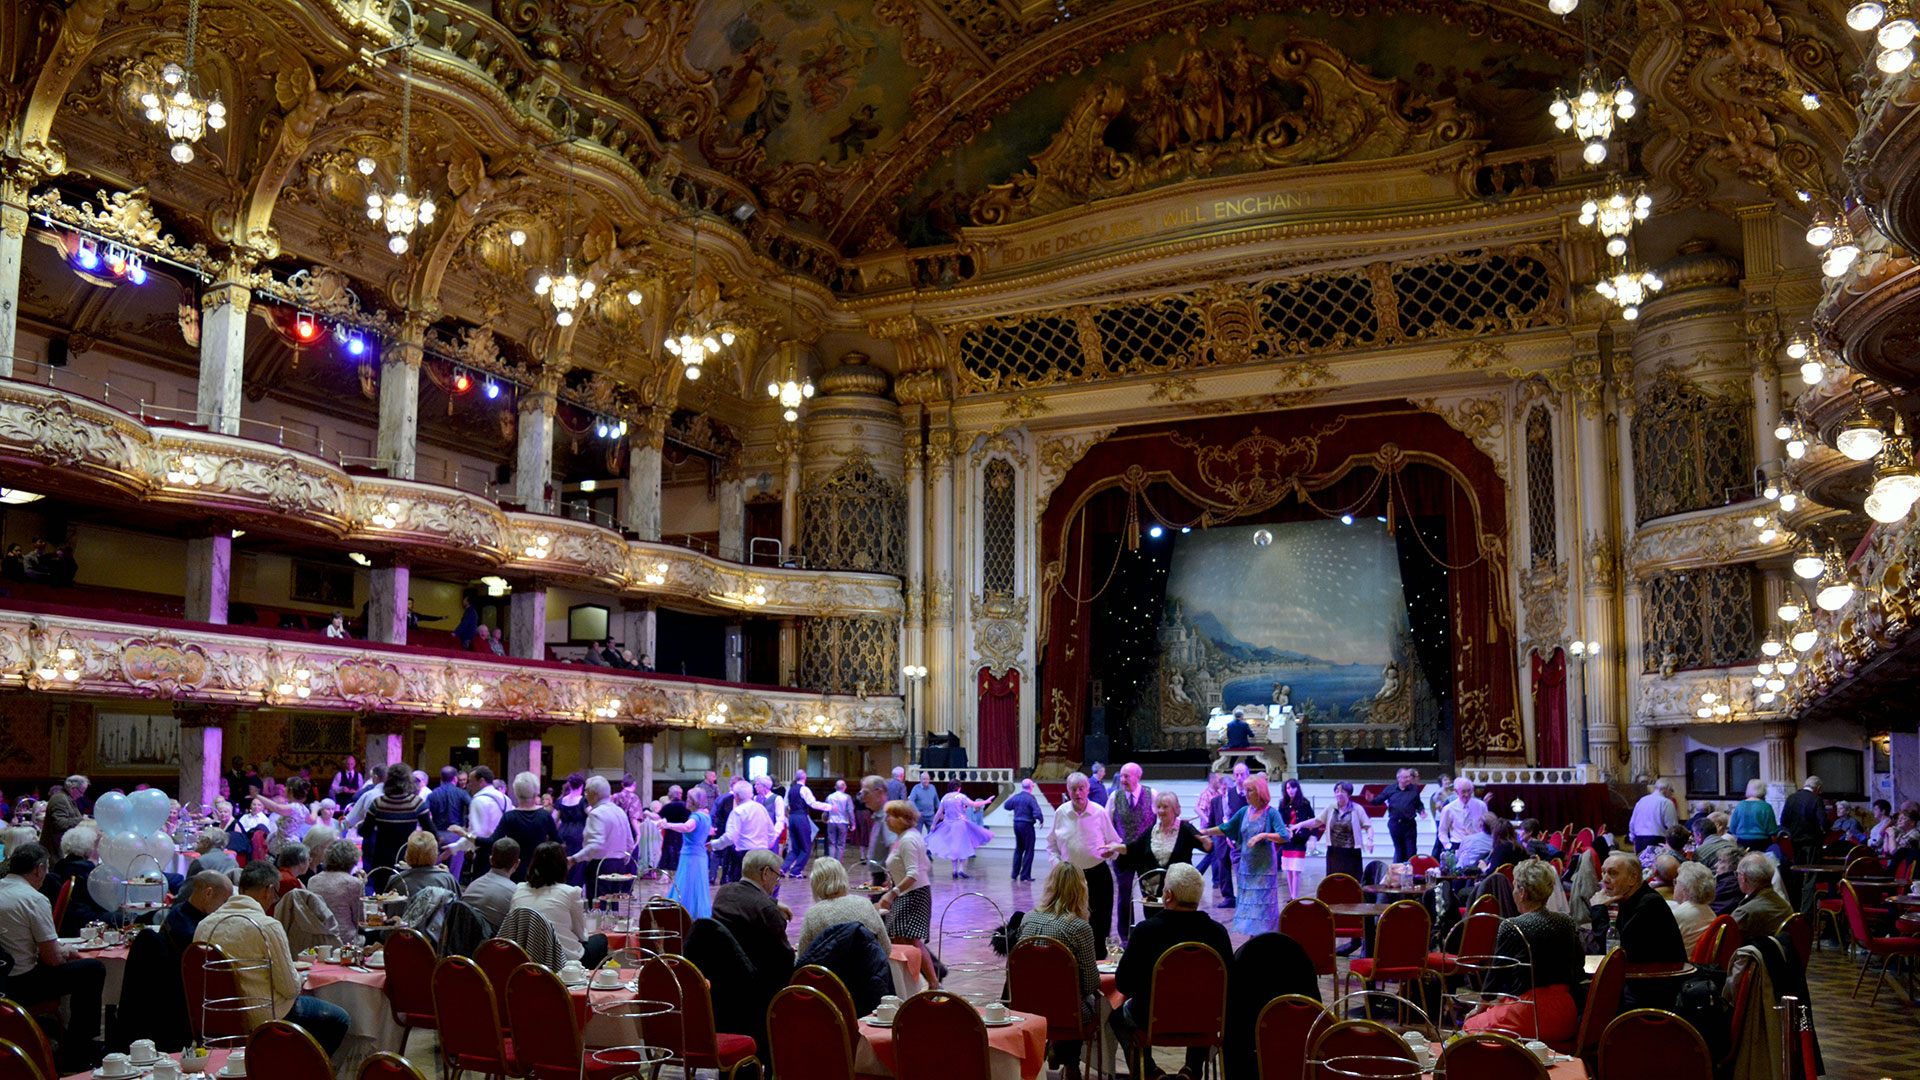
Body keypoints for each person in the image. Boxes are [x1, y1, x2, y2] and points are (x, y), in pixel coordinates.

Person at [196, 860, 352, 1055]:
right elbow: (288, 988)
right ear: (269, 890)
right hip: (262, 1015)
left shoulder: (204, 925)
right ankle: (304, 1067)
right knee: (339, 1018)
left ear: (241, 888)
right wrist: (300, 977)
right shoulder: (267, 926)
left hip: (216, 1015)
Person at [1108, 864, 1232, 1080]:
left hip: (1151, 1021)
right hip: (1204, 1021)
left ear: (1168, 895)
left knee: (1115, 1014)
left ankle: (1148, 1071)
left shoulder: (1145, 931)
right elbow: (1229, 985)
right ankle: (1192, 1070)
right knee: (1203, 1005)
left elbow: (1125, 984)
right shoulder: (1217, 933)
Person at [0, 843, 106, 1071]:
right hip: (21, 983)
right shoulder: (33, 898)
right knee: (93, 969)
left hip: (5, 978)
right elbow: (52, 959)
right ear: (40, 869)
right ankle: (80, 1050)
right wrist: (67, 950)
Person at [1464, 859, 1584, 1044]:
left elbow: (1495, 976)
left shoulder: (1512, 926)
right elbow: (1578, 964)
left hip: (1528, 1013)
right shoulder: (1566, 922)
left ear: (1522, 892)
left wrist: (1480, 1009)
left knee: (1470, 1027)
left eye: (1514, 887)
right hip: (1565, 1015)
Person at [1014, 863, 1099, 1080]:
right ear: (1081, 889)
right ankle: (1072, 1065)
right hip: (1067, 1013)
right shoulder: (1080, 928)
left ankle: (1049, 1053)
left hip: (1027, 1009)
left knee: (1064, 1001)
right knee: (1089, 1002)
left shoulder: (1028, 918)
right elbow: (1091, 984)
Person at [1048, 772, 1127, 958]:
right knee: (1069, 920)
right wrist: (1057, 865)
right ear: (1067, 791)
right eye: (1073, 789)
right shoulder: (1061, 813)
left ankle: (1097, 961)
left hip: (1098, 874)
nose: (1078, 793)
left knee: (1100, 921)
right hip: (1070, 876)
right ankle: (1071, 959)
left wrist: (1112, 851)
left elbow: (1115, 841)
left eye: (1081, 788)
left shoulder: (1099, 812)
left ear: (1088, 789)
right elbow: (1051, 845)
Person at [1205, 773, 1288, 937]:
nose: (1245, 794)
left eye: (1250, 790)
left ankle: (1267, 940)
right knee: (1250, 909)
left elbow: (1284, 836)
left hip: (1264, 871)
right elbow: (1226, 828)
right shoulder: (1244, 811)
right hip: (1247, 869)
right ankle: (1253, 942)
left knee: (1263, 909)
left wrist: (1262, 835)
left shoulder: (1271, 813)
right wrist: (1204, 832)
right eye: (1245, 790)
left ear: (1260, 792)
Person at [511, 841, 608, 968]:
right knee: (601, 940)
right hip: (564, 958)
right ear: (562, 865)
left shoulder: (519, 889)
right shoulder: (570, 892)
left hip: (526, 955)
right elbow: (581, 935)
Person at [878, 800, 940, 987]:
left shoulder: (908, 839)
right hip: (909, 892)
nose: (886, 820)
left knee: (911, 941)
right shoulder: (904, 837)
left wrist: (891, 893)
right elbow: (920, 865)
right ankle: (911, 982)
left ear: (901, 819)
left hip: (914, 894)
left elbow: (913, 874)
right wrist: (893, 882)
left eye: (890, 816)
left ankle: (931, 983)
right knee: (900, 938)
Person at [1592, 852, 1686, 964]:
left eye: (1613, 873)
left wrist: (1598, 908)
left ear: (1632, 878)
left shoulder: (1650, 904)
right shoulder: (1628, 899)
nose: (1605, 879)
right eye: (1604, 872)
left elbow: (1615, 949)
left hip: (1659, 973)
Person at [1124, 791, 1213, 905]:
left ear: (1175, 809)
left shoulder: (1185, 829)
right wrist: (1115, 848)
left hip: (1179, 892)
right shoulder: (1151, 831)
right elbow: (1134, 849)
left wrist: (1207, 844)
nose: (1161, 811)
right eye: (1158, 807)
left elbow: (1206, 847)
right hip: (1153, 894)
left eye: (1165, 807)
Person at [795, 855, 888, 956]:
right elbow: (886, 948)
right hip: (867, 965)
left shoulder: (813, 915)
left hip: (829, 966)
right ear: (844, 877)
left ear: (815, 883)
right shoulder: (866, 905)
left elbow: (802, 957)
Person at [1107, 763, 1155, 942]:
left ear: (1138, 777)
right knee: (1124, 896)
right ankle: (1126, 937)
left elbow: (1160, 821)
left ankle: (1152, 932)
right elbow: (1107, 823)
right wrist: (1112, 847)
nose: (1123, 780)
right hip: (1123, 855)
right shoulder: (1115, 796)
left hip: (1146, 855)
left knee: (1150, 896)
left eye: (1127, 776)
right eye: (1121, 776)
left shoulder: (1152, 794)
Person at [571, 775, 636, 901]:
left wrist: (574, 859)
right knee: (613, 905)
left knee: (598, 907)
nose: (585, 795)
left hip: (600, 866)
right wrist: (622, 860)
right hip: (619, 865)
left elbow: (596, 845)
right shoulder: (619, 811)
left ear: (595, 794)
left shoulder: (596, 814)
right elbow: (630, 843)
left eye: (587, 791)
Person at [490, 772, 561, 882]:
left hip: (515, 869)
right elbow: (557, 842)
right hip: (540, 869)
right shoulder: (545, 816)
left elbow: (493, 841)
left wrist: (468, 835)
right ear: (536, 792)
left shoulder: (509, 817)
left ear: (516, 792)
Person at [660, 788, 714, 918]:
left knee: (687, 885)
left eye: (689, 798)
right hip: (701, 856)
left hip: (691, 856)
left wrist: (668, 825)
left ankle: (684, 915)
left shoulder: (695, 816)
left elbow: (687, 827)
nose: (687, 800)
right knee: (697, 887)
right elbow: (709, 831)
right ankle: (695, 913)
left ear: (694, 800)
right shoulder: (706, 816)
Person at [365, 766, 433, 869]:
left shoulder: (378, 803)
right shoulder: (416, 803)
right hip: (407, 857)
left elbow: (365, 831)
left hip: (382, 858)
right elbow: (429, 829)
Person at [1306, 781, 1373, 882]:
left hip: (1351, 852)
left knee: (1352, 881)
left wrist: (1370, 840)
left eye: (1342, 791)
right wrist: (1299, 825)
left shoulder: (1357, 808)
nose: (1339, 794)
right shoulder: (1331, 808)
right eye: (1337, 791)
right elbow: (1316, 821)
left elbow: (1369, 826)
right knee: (1334, 881)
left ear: (1349, 793)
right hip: (1334, 852)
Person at [306, 839, 366, 948]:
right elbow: (360, 921)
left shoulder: (313, 880)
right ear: (352, 861)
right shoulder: (353, 883)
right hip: (345, 940)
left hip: (318, 940)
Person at [927, 780, 994, 879]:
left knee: (954, 847)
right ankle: (961, 868)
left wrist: (933, 824)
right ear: (959, 788)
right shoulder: (961, 796)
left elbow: (939, 813)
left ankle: (954, 869)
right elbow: (973, 804)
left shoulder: (945, 797)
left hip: (948, 825)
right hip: (960, 824)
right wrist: (986, 801)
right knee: (964, 846)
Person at [162, 870, 234, 955]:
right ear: (208, 894)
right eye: (224, 901)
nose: (225, 906)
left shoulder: (177, 911)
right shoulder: (193, 932)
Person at [1731, 852, 1793, 943]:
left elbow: (1724, 943)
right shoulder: (1785, 905)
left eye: (1737, 874)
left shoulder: (1745, 913)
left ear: (1743, 878)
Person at [1271, 778, 1314, 899]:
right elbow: (1279, 821)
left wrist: (1312, 836)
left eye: (1293, 787)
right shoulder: (1283, 804)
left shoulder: (1305, 803)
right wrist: (1284, 828)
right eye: (1288, 788)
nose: (1290, 790)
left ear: (1297, 789)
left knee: (1296, 868)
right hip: (1288, 839)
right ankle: (1292, 895)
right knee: (1289, 868)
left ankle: (1295, 896)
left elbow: (1313, 819)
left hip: (1300, 839)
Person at [1372, 768, 1426, 863]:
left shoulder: (1414, 789)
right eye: (1406, 777)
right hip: (1395, 824)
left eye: (1409, 777)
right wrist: (1371, 800)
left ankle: (1411, 870)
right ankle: (1399, 870)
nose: (1408, 779)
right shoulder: (1390, 789)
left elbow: (1418, 804)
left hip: (1409, 824)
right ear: (1399, 778)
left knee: (1411, 850)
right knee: (1399, 850)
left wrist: (1421, 811)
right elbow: (1378, 801)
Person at [1668, 861, 1717, 954]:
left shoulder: (1679, 915)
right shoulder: (1710, 912)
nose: (1675, 886)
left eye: (1676, 882)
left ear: (1685, 889)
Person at [1004, 778, 1045, 882]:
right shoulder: (1030, 798)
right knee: (1029, 850)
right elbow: (1037, 812)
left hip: (1016, 824)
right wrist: (1041, 820)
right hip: (1027, 825)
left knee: (1019, 849)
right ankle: (1025, 875)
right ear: (1031, 787)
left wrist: (1010, 798)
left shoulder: (1016, 797)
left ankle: (1014, 874)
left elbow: (1007, 806)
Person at [1781, 777, 1827, 865]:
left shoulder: (1791, 798)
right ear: (1818, 788)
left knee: (1798, 867)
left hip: (1795, 839)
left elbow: (1784, 821)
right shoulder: (1816, 799)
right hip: (1812, 840)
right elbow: (1824, 822)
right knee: (1812, 868)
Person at [395, 829, 455, 896]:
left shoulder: (396, 880)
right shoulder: (446, 879)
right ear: (434, 854)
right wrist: (447, 876)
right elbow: (457, 901)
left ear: (408, 853)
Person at [554, 773, 590, 885]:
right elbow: (592, 815)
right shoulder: (583, 801)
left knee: (563, 863)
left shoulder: (561, 801)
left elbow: (555, 819)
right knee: (577, 865)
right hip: (578, 835)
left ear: (569, 785)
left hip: (562, 833)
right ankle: (576, 889)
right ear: (582, 786)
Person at [1436, 777, 1487, 854]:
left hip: (1477, 844)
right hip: (1457, 845)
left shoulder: (1481, 805)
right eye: (1463, 792)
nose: (1466, 794)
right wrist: (1448, 846)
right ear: (1456, 791)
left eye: (1469, 791)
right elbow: (1442, 830)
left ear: (1472, 789)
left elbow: (1486, 827)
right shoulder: (1448, 809)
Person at [38, 779, 83, 865]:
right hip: (54, 851)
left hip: (59, 850)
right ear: (72, 789)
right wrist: (81, 819)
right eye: (81, 792)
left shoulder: (67, 798)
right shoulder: (60, 799)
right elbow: (60, 823)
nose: (81, 795)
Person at [1629, 780, 1680, 854]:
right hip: (1657, 841)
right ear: (1667, 790)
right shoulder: (1667, 802)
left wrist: (1633, 840)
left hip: (1639, 840)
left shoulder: (1642, 800)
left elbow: (1632, 823)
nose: (1672, 794)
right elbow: (1672, 827)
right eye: (1672, 791)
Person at [860, 775, 894, 885]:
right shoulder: (878, 815)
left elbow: (894, 846)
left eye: (866, 793)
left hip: (885, 877)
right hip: (879, 875)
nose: (862, 797)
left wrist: (890, 874)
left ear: (879, 792)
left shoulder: (887, 817)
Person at [1730, 778, 1778, 851]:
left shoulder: (1740, 805)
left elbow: (1732, 828)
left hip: (1742, 842)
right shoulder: (1766, 807)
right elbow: (1772, 830)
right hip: (1761, 843)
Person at [823, 779, 855, 862]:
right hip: (843, 822)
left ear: (835, 787)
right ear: (845, 787)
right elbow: (850, 811)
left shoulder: (829, 797)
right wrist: (853, 823)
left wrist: (825, 818)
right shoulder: (847, 797)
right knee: (841, 844)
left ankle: (831, 862)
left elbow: (826, 810)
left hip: (831, 821)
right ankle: (838, 862)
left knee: (831, 843)